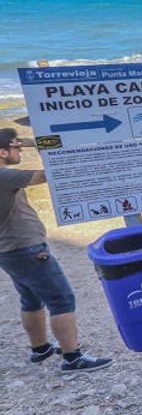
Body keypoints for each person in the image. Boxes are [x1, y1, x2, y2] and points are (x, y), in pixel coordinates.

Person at [0, 129, 112, 374]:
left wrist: (27, 143)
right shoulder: (4, 176)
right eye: (16, 147)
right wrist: (42, 145)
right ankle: (73, 358)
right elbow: (48, 174)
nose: (20, 150)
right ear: (3, 152)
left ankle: (39, 348)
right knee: (61, 299)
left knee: (31, 298)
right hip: (25, 247)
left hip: (9, 248)